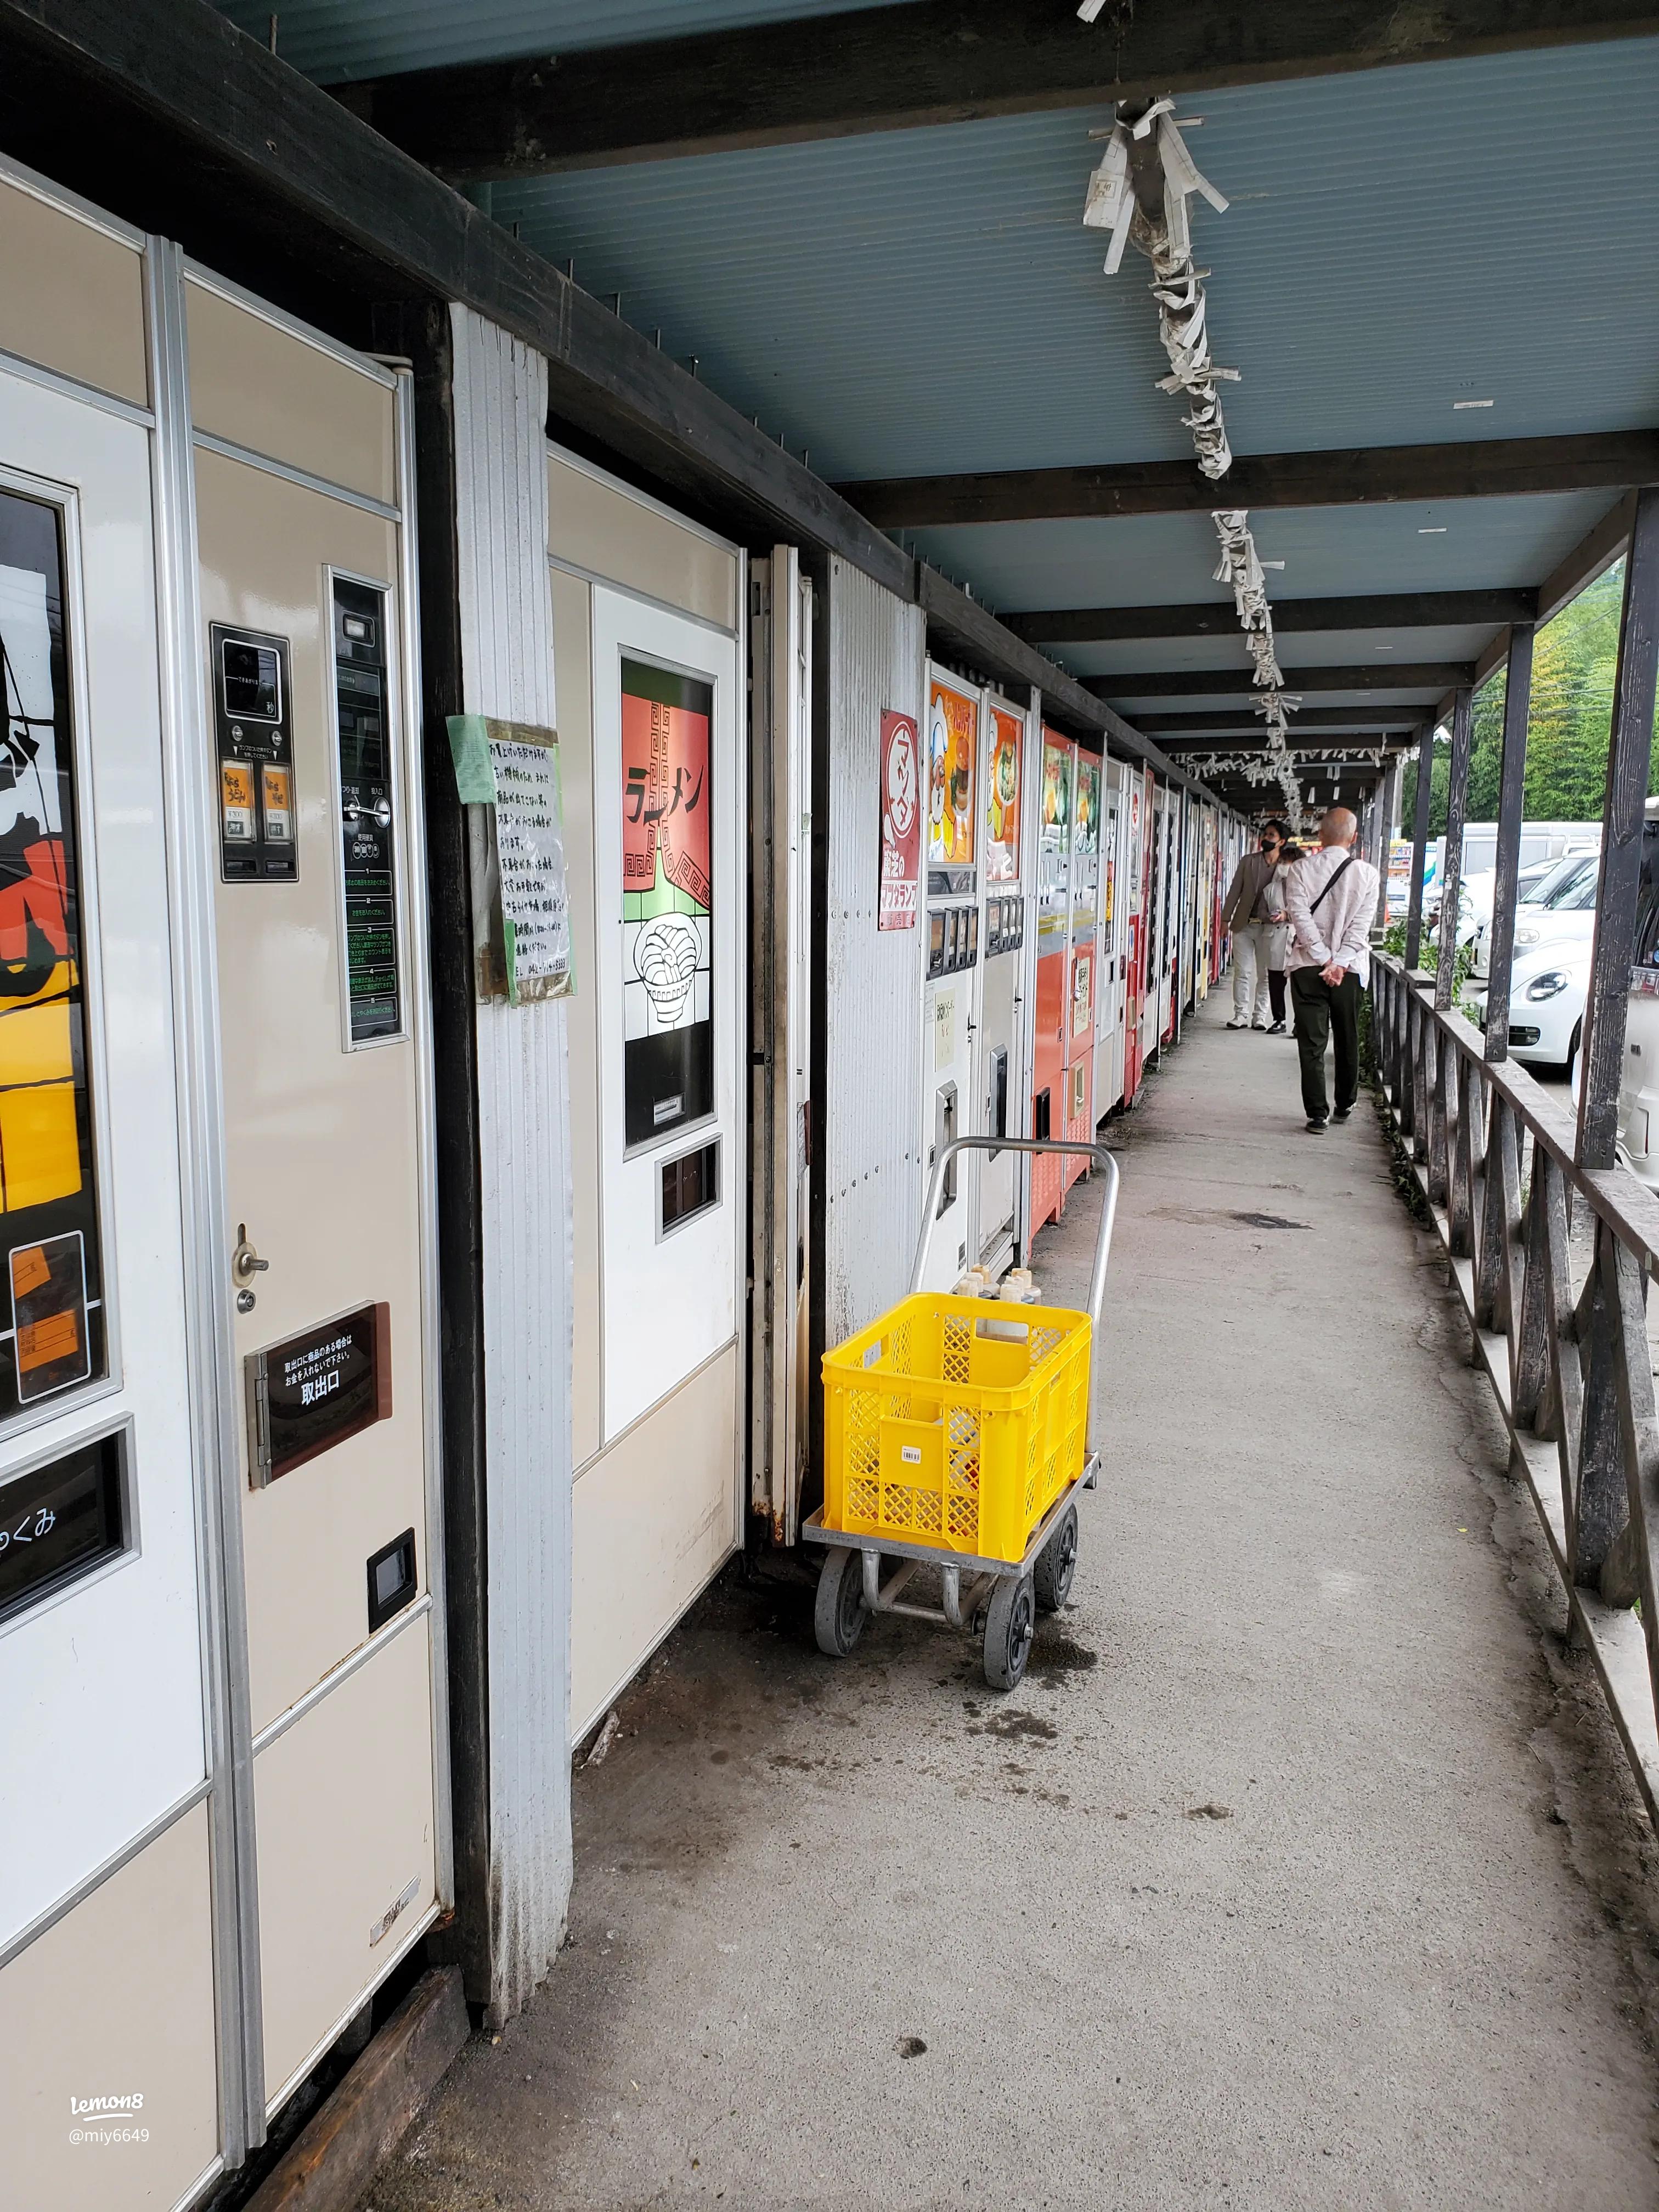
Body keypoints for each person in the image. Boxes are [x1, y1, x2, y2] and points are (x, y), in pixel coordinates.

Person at [1283, 807, 1381, 1133]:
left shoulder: (1299, 869)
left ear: (1320, 835)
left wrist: (1324, 959)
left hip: (1307, 967)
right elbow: (1361, 927)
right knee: (1347, 1035)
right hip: (1350, 969)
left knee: (1311, 1041)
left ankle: (1317, 1114)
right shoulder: (1368, 874)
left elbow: (1300, 918)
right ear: (1353, 838)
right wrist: (1339, 962)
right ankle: (1345, 1103)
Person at [1219, 819, 1290, 1031]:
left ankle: (1259, 1016)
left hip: (1270, 929)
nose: (1266, 839)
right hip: (1244, 924)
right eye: (1265, 834)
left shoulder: (1286, 867)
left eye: (1271, 836)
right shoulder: (1248, 862)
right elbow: (1235, 891)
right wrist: (1225, 919)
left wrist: (1287, 915)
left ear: (1281, 841)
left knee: (1265, 974)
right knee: (1243, 971)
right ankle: (1240, 1014)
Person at [1262, 838, 1304, 1033]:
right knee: (1276, 983)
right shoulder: (1271, 889)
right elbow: (1262, 911)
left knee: (1300, 985)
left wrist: (1288, 915)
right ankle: (1279, 1019)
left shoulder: (1309, 890)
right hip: (1277, 938)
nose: (1283, 867)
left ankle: (1300, 1022)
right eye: (1282, 863)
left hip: (1299, 940)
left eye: (1287, 863)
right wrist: (1270, 917)